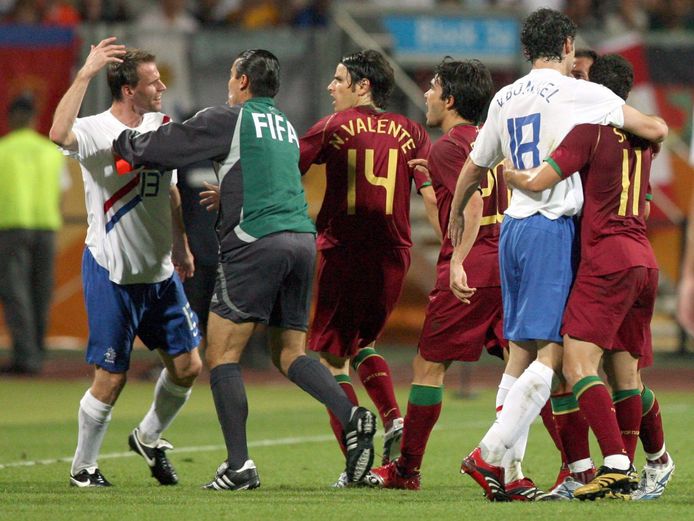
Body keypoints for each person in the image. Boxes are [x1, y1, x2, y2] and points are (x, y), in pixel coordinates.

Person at [112, 48, 377, 490]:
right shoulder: (286, 127)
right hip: (300, 239)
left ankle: (239, 466)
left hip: (257, 243)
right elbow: (268, 177)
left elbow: (164, 146)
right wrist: (231, 195)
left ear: (241, 82)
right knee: (290, 353)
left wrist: (121, 140)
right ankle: (353, 417)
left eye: (232, 75)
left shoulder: (229, 118)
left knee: (221, 355)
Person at [447, 8, 668, 501]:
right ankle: (491, 453)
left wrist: (455, 221)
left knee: (519, 352)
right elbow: (653, 129)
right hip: (553, 228)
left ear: (526, 50)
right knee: (557, 353)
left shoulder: (504, 97)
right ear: (568, 46)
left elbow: (473, 166)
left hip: (511, 231)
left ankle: (512, 471)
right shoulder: (586, 93)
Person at [502, 53, 669, 501]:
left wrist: (511, 174)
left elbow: (538, 183)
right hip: (643, 260)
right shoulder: (643, 141)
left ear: (595, 91)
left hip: (607, 261)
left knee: (573, 365)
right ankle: (642, 465)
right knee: (625, 374)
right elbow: (648, 195)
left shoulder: (589, 133)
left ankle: (611, 463)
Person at [49, 38, 203, 488]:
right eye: (153, 82)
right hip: (112, 272)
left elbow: (171, 190)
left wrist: (182, 247)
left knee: (189, 366)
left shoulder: (161, 124)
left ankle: (149, 437)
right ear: (127, 90)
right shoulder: (95, 130)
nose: (161, 87)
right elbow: (58, 134)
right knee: (111, 379)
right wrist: (84, 73)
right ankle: (84, 468)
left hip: (159, 274)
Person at [363, 58, 519, 494]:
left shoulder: (448, 146)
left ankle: (406, 469)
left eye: (432, 88)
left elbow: (468, 211)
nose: (427, 96)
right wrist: (428, 188)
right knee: (523, 370)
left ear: (450, 99)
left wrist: (461, 262)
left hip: (471, 270)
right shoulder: (496, 142)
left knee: (429, 367)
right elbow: (454, 217)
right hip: (506, 266)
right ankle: (571, 466)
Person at [298, 49, 435, 486]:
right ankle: (394, 418)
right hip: (394, 252)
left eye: (339, 79)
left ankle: (354, 459)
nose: (330, 86)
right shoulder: (412, 130)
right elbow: (430, 189)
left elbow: (290, 167)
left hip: (345, 249)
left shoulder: (335, 126)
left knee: (331, 358)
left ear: (363, 86)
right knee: (365, 340)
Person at [0, 94, 67, 375]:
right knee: (41, 292)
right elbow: (63, 191)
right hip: (47, 227)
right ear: (34, 118)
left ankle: (25, 357)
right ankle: (37, 351)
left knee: (16, 293)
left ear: (11, 117)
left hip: (12, 227)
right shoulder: (51, 151)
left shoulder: (3, 150)